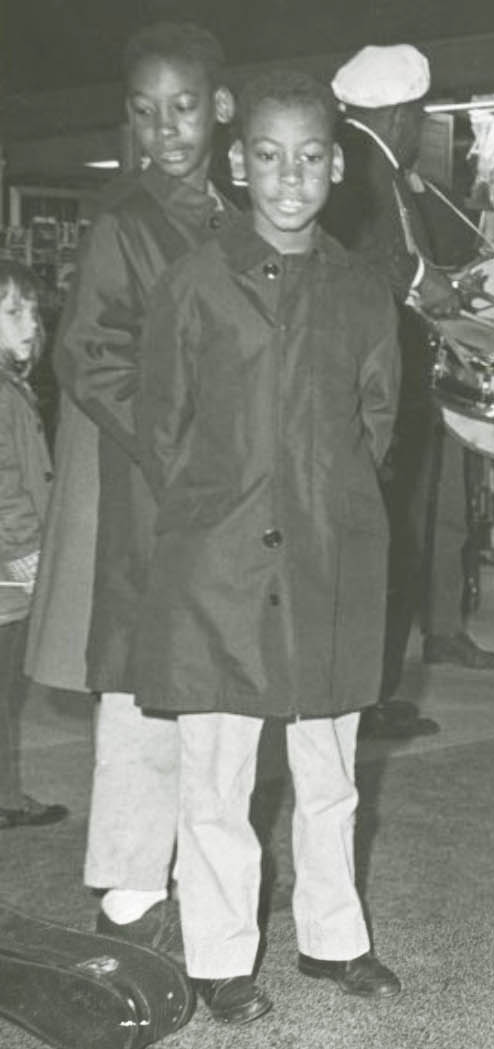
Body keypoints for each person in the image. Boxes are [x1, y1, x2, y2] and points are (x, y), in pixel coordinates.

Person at [135, 67, 403, 1024]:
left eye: (311, 157)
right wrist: (224, 511)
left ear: (336, 166)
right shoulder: (194, 282)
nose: (291, 176)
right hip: (220, 565)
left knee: (331, 771)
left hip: (329, 555)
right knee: (218, 779)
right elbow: (161, 426)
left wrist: (323, 502)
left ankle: (335, 941)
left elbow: (378, 422)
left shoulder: (365, 290)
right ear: (240, 163)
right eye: (270, 156)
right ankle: (219, 956)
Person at [29, 20, 236, 954]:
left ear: (219, 110)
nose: (166, 130)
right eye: (146, 113)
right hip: (156, 496)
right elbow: (88, 354)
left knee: (218, 702)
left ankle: (203, 878)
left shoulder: (242, 218)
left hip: (234, 509)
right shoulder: (123, 222)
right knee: (142, 698)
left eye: (184, 107)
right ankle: (125, 891)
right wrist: (177, 440)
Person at [322, 43, 494, 743]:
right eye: (419, 119)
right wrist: (430, 285)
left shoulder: (365, 161)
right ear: (400, 117)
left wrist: (438, 282)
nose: (419, 131)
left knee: (391, 538)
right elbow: (383, 263)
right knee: (389, 538)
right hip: (384, 387)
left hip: (384, 381)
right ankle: (366, 695)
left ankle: (371, 689)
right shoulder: (367, 165)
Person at [0, 261, 67, 831]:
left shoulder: (11, 386)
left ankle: (7, 794)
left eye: (32, 311)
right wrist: (25, 547)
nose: (30, 323)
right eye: (12, 312)